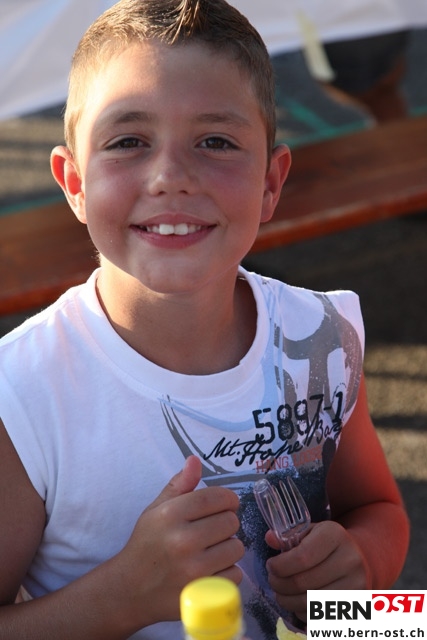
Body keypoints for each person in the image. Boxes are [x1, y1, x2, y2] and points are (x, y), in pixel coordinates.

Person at [0, 0, 409, 638]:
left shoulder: (323, 336)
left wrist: (359, 574)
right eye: (128, 142)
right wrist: (123, 597)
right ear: (73, 182)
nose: (171, 177)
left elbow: (380, 512)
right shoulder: (23, 395)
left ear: (271, 183)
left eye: (215, 142)